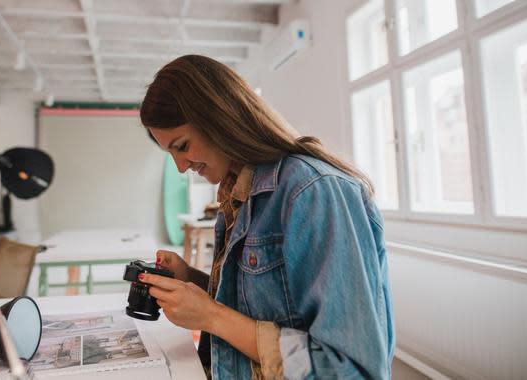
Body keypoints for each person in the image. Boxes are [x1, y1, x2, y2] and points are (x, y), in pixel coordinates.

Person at [138, 55, 394, 379]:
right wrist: (192, 281)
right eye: (171, 153)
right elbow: (264, 306)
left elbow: (350, 369)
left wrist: (211, 316)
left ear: (218, 118)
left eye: (183, 146)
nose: (181, 166)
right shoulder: (238, 193)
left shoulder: (314, 192)